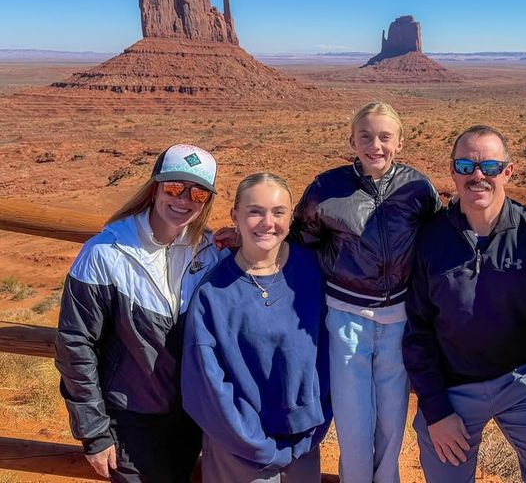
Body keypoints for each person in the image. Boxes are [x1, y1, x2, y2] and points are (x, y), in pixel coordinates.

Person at [403, 125, 526, 483]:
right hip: (454, 387)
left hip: (522, 379)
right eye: (466, 166)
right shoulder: (431, 237)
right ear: (453, 172)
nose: (477, 176)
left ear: (508, 171)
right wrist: (437, 411)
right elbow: (419, 332)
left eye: (489, 167)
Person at [291, 101, 440, 483]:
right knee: (355, 427)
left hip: (399, 322)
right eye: (366, 136)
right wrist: (243, 241)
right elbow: (298, 242)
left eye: (385, 137)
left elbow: (438, 241)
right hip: (345, 319)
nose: (376, 145)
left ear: (400, 142)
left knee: (391, 427)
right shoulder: (327, 188)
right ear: (352, 141)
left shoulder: (418, 188)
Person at [55, 143, 223, 482]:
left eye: (198, 194)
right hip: (128, 420)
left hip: (188, 420)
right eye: (174, 188)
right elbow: (75, 345)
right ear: (154, 187)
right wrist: (94, 432)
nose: (184, 200)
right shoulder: (106, 252)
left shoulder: (209, 251)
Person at [182, 172, 331, 483]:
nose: (267, 222)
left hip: (302, 445)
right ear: (235, 215)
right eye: (254, 212)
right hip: (237, 451)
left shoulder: (312, 272)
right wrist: (256, 445)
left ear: (291, 217)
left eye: (278, 212)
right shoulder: (214, 293)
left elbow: (329, 358)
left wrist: (315, 426)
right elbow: (205, 386)